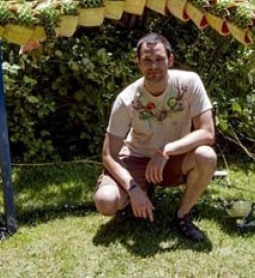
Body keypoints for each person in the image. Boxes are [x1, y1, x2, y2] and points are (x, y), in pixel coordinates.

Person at [93, 32, 217, 242]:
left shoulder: (189, 83)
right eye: (147, 60)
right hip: (136, 158)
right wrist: (132, 188)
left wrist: (166, 150)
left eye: (159, 59)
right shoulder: (126, 99)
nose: (154, 66)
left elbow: (207, 132)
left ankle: (182, 216)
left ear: (170, 59)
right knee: (106, 201)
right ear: (138, 63)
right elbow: (109, 154)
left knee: (206, 156)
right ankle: (139, 193)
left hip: (174, 159)